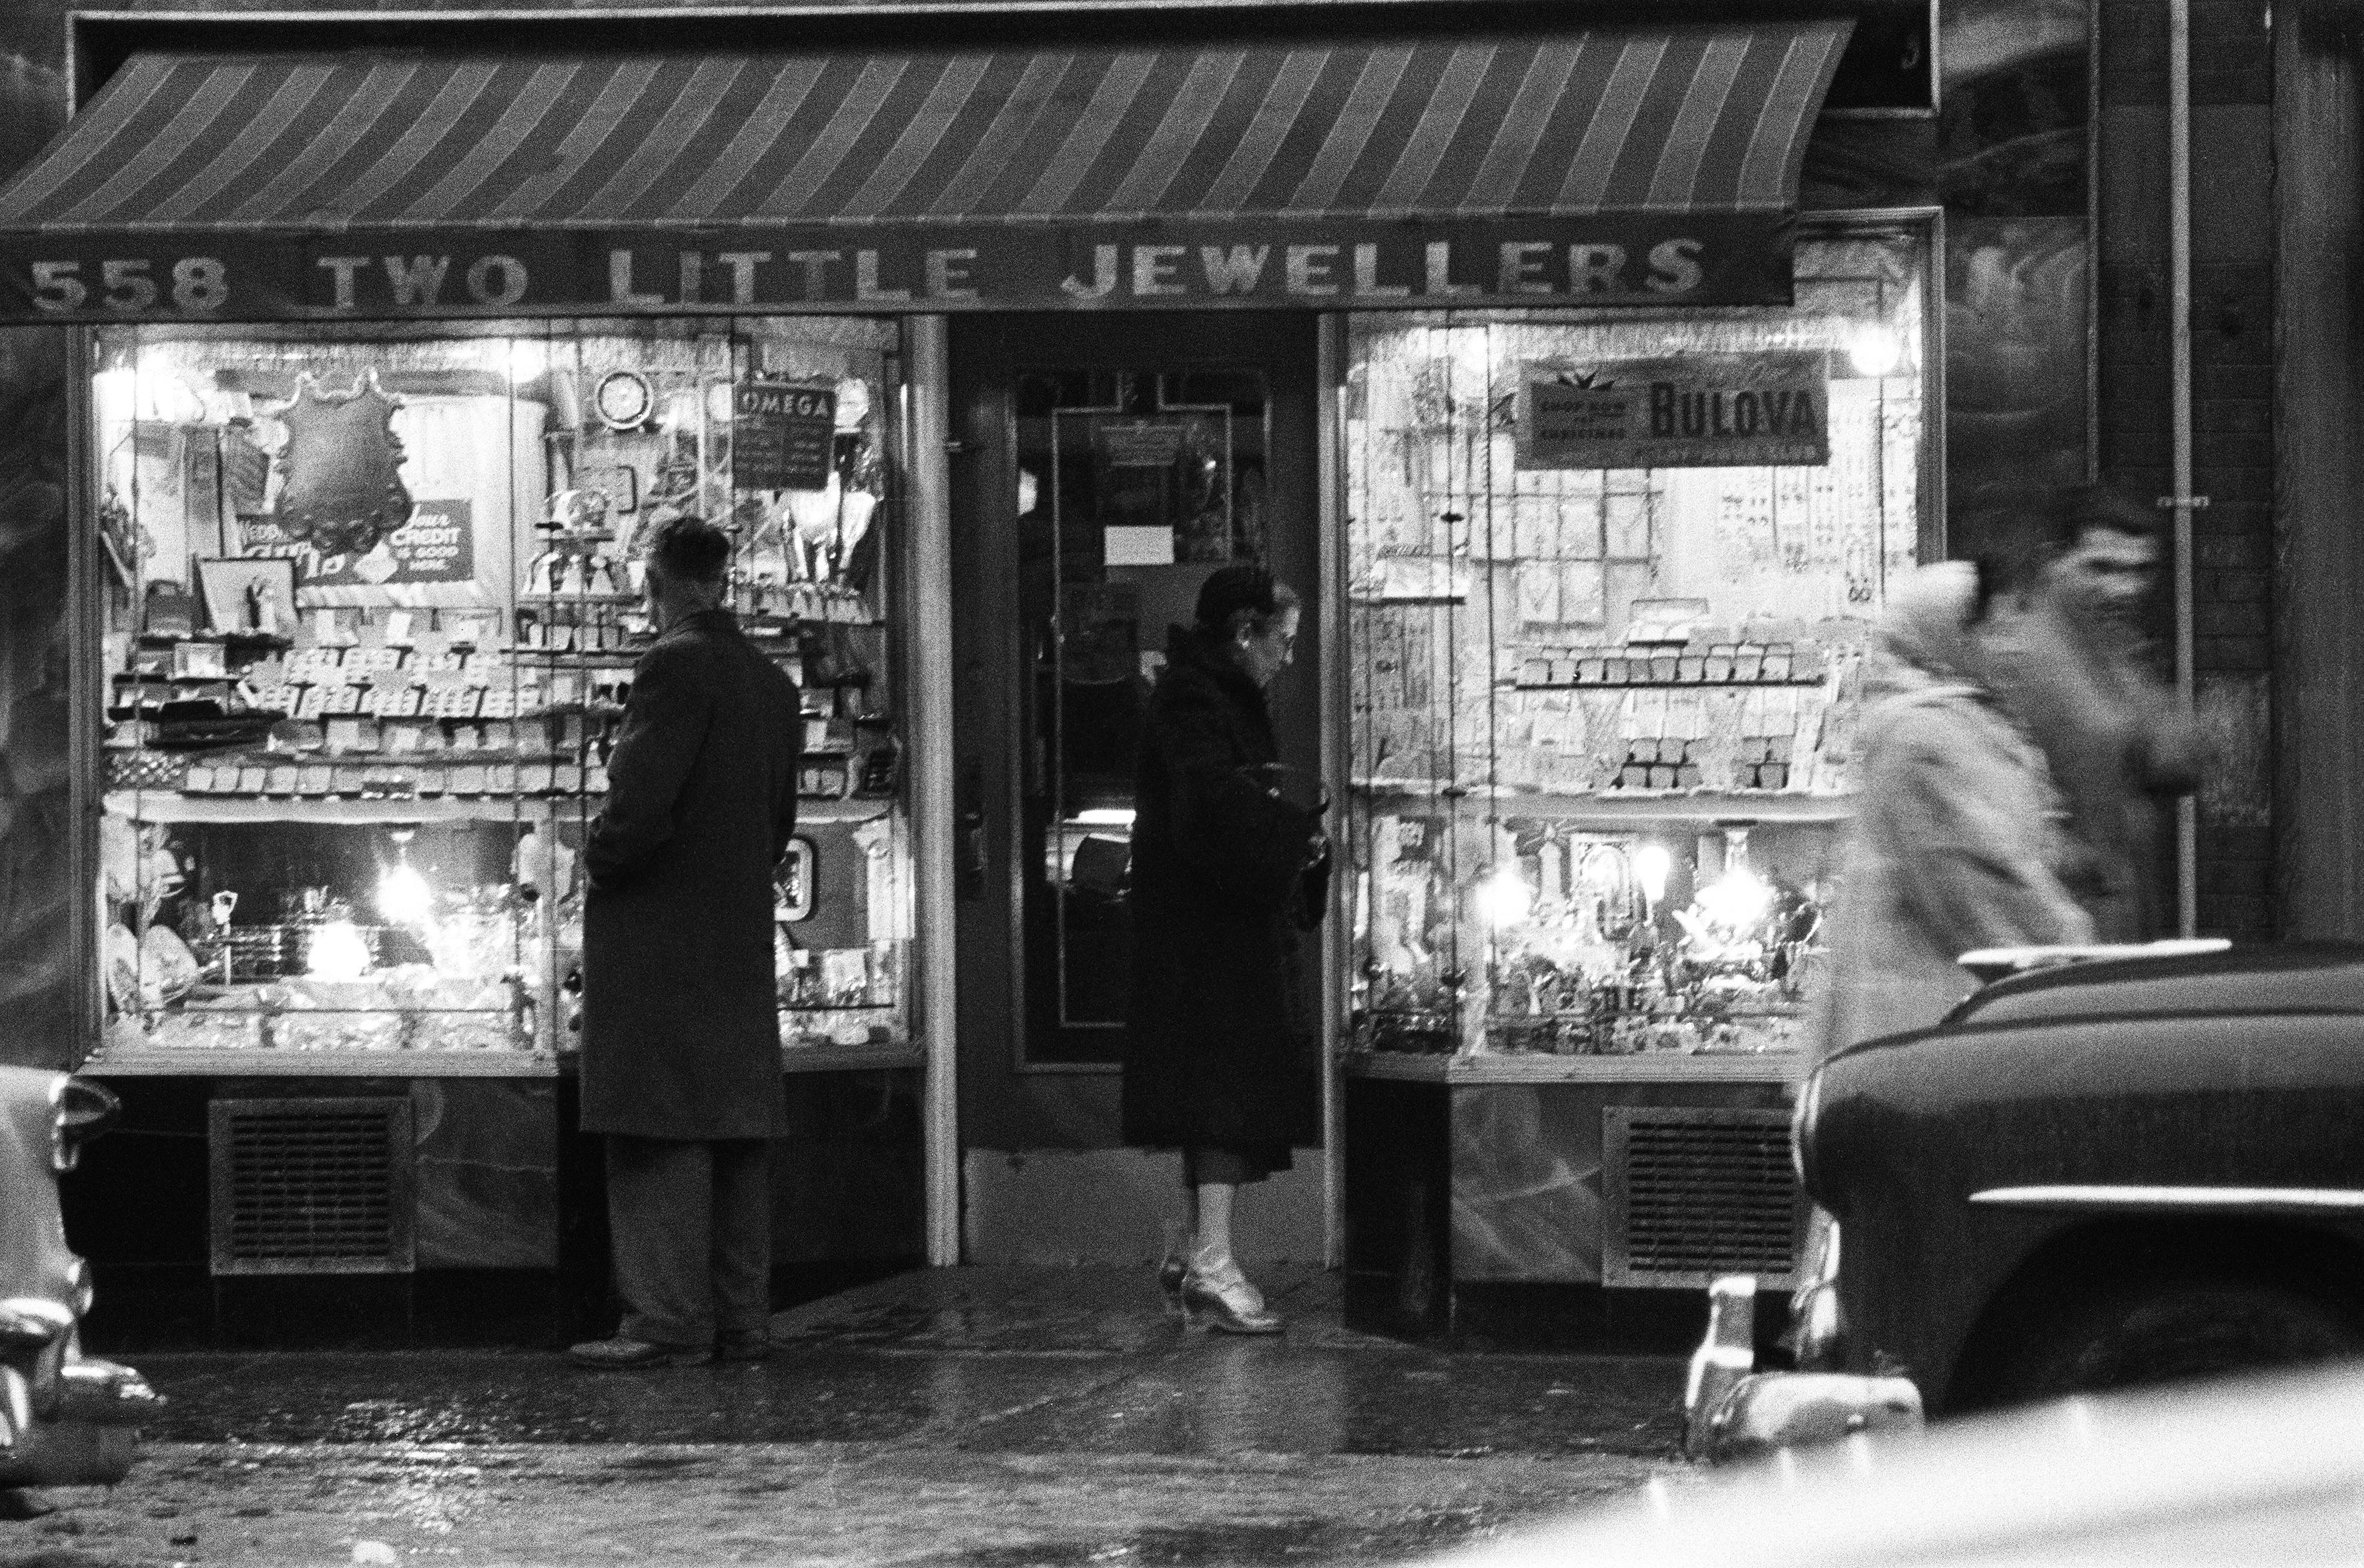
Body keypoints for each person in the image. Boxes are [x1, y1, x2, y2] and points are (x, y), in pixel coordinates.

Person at [568, 516, 803, 1370]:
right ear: (725, 578)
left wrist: (596, 860)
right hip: (736, 931)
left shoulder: (671, 667)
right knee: (736, 1129)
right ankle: (743, 1319)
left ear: (656, 581)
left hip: (659, 933)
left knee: (656, 1122)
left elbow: (638, 805)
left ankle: (666, 1321)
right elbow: (782, 822)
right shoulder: (772, 685)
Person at [1122, 564, 1328, 1335]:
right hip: (1206, 937)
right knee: (1221, 1094)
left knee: (1214, 1090)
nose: (1289, 655)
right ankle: (1212, 1262)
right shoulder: (1195, 699)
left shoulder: (1205, 693)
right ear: (1244, 632)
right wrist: (1291, 837)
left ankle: (1190, 1251)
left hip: (1211, 928)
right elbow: (1208, 807)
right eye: (1283, 638)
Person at [1812, 560, 2095, 1067]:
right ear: (1944, 635)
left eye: (2011, 625)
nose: (2009, 645)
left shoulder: (1965, 722)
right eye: (1990, 628)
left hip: (1944, 1021)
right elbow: (1976, 884)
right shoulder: (1920, 739)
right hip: (1920, 1030)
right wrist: (2071, 951)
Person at [1980, 484, 2201, 941]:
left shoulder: (2113, 650)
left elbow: (2179, 764)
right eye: (2100, 568)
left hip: (2114, 912)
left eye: (2141, 571)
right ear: (2053, 561)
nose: (2124, 588)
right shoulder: (2012, 656)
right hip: (2050, 923)